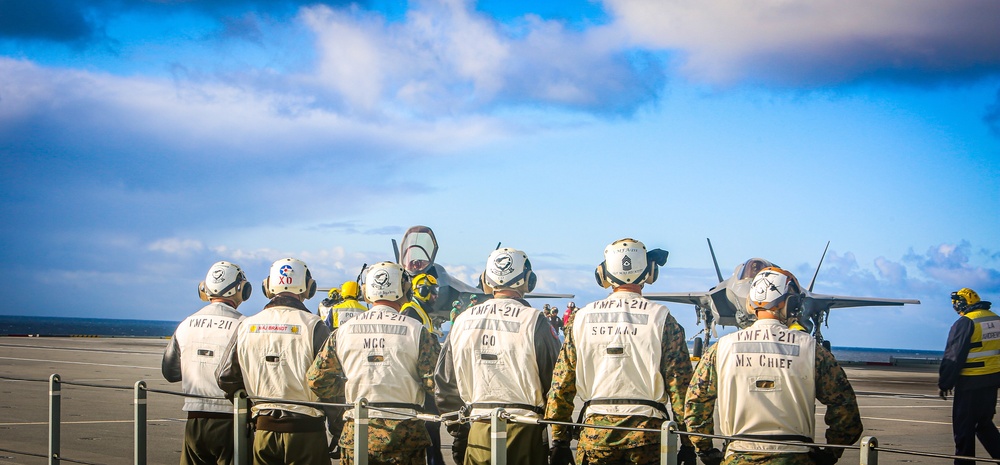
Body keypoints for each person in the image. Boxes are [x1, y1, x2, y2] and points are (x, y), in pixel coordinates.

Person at [684, 266, 863, 465]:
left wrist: (706, 451)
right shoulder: (811, 349)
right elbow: (846, 411)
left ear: (751, 304)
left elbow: (695, 404)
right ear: (791, 303)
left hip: (737, 455)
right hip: (797, 458)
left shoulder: (721, 349)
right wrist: (828, 455)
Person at [546, 238, 694, 465]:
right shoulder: (663, 318)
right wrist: (688, 442)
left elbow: (562, 384)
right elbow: (680, 388)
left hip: (595, 434)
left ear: (603, 274)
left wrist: (559, 440)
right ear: (650, 272)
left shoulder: (581, 318)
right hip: (648, 435)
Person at [436, 248, 560, 465]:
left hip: (478, 428)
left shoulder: (462, 321)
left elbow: (446, 382)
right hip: (526, 428)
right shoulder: (535, 321)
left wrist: (458, 430)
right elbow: (555, 379)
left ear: (485, 279)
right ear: (528, 281)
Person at [307, 261, 440, 465]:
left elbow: (317, 380)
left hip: (357, 432)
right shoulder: (417, 331)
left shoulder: (343, 331)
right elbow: (436, 383)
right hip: (405, 437)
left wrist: (349, 393)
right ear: (404, 288)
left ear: (367, 292)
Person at [216, 258, 331, 465]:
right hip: (307, 431)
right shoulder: (315, 326)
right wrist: (338, 428)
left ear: (267, 286)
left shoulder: (246, 325)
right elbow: (329, 382)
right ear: (308, 288)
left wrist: (252, 404)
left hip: (263, 429)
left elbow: (226, 377)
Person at [162, 261, 249, 465]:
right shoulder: (244, 325)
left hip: (194, 420)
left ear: (205, 288)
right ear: (241, 290)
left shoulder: (186, 323)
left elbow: (170, 372)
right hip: (231, 420)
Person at [939, 288, 1000, 465]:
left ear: (963, 303)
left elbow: (953, 356)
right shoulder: (996, 319)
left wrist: (945, 383)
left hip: (970, 382)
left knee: (963, 430)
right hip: (992, 381)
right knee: (983, 424)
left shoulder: (966, 322)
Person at [400, 272, 446, 465]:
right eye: (432, 292)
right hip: (419, 381)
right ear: (422, 290)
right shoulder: (411, 311)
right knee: (430, 426)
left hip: (423, 379)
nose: (435, 296)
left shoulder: (420, 312)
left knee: (433, 427)